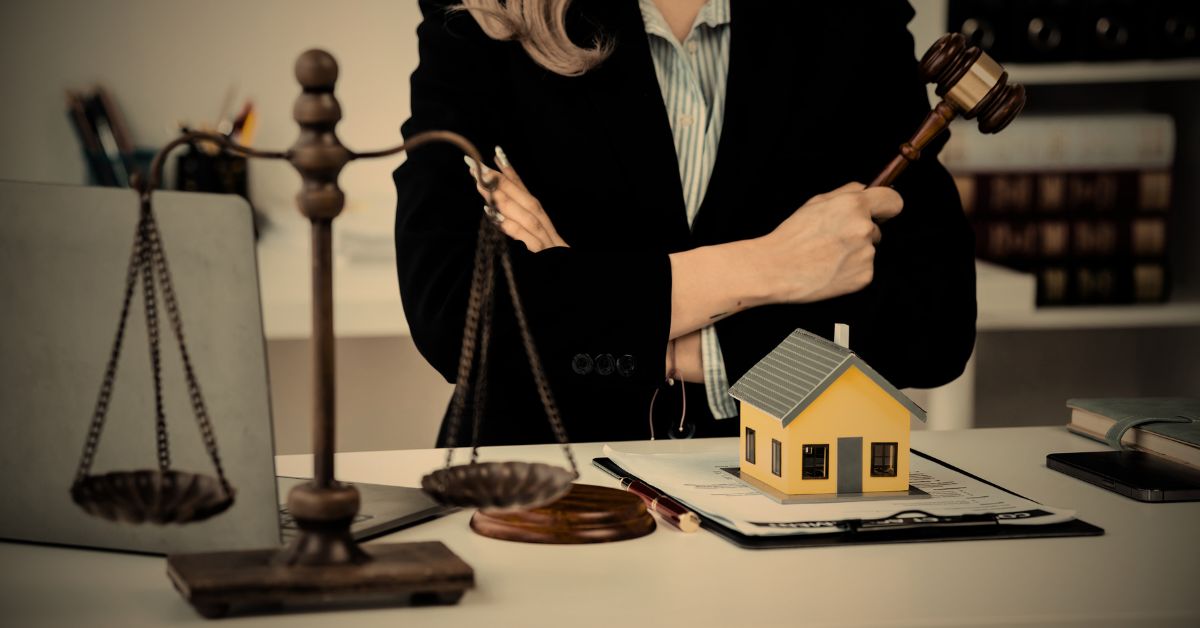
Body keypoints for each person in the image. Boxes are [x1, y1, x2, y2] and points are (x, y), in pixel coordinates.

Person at [393, 0, 976, 447]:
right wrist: (774, 266)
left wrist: (631, 324)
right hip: (544, 493)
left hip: (789, 501)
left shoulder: (852, 15)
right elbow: (456, 312)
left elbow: (930, 326)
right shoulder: (482, 15)